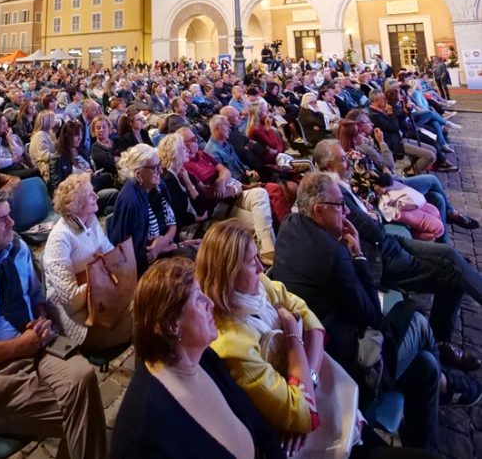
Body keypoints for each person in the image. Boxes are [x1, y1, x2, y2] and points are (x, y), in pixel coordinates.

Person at [273, 173, 482, 451]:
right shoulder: (332, 256)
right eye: (339, 206)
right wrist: (358, 254)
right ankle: (445, 375)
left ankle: (427, 435)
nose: (345, 211)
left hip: (331, 346)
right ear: (318, 210)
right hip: (350, 366)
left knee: (426, 368)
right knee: (416, 319)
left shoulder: (290, 225)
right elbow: (372, 314)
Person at [0, 190, 106, 459]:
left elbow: (34, 294)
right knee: (84, 414)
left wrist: (41, 315)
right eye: (1, 220)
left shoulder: (17, 250)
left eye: (10, 216)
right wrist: (18, 346)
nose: (12, 224)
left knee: (84, 377)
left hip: (37, 345)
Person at [313, 139, 482, 370]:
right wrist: (371, 210)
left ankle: (442, 339)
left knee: (452, 256)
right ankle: (440, 344)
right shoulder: (333, 196)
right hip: (383, 257)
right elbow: (369, 226)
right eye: (342, 159)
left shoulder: (340, 186)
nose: (347, 162)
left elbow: (372, 213)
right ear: (327, 165)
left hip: (389, 241)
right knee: (453, 276)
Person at [110, 256, 284, 459]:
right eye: (198, 299)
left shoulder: (204, 357)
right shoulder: (144, 435)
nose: (210, 302)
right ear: (172, 325)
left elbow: (257, 424)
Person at [196, 220, 328, 442]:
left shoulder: (257, 284)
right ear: (228, 275)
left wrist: (310, 379)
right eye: (251, 262)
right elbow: (302, 413)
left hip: (313, 383)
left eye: (257, 256)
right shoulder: (233, 344)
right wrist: (294, 337)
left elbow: (309, 317)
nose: (260, 267)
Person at [43, 172, 132, 351]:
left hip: (104, 302)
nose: (96, 196)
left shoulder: (90, 221)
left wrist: (107, 271)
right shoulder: (60, 238)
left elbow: (111, 257)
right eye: (90, 194)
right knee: (146, 319)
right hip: (78, 321)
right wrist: (102, 275)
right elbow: (72, 300)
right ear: (75, 204)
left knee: (148, 303)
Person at [108, 145, 193, 275]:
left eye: (159, 164)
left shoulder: (159, 184)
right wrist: (165, 247)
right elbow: (131, 254)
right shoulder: (130, 201)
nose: (160, 170)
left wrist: (164, 242)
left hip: (165, 247)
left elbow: (172, 222)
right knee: (189, 259)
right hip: (143, 267)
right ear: (138, 174)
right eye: (154, 168)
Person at [205, 115, 276, 266]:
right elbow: (226, 184)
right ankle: (270, 251)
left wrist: (248, 171)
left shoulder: (226, 144)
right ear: (217, 129)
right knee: (262, 196)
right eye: (226, 126)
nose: (230, 128)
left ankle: (266, 254)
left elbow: (239, 164)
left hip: (243, 185)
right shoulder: (211, 152)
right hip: (232, 195)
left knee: (260, 217)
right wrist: (247, 186)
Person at [0, 112, 39, 179]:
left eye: (6, 122)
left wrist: (9, 138)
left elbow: (19, 153)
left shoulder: (3, 137)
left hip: (15, 167)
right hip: (4, 172)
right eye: (3, 123)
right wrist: (13, 160)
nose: (6, 125)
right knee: (36, 172)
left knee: (36, 170)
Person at [29, 109, 58, 182]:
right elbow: (45, 156)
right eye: (53, 119)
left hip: (51, 163)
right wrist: (60, 155)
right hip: (43, 166)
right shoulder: (40, 135)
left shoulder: (49, 133)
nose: (55, 121)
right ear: (48, 122)